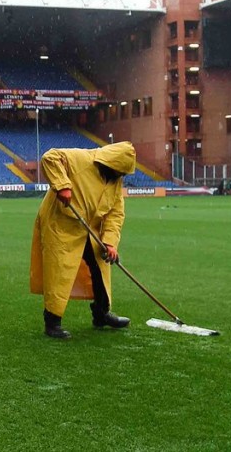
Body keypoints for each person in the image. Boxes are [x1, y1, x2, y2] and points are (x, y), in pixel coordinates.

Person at [29, 141, 136, 339]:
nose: (120, 177)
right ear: (110, 163)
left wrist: (110, 243)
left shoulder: (114, 181)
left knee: (100, 267)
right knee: (58, 270)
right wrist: (62, 186)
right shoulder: (81, 158)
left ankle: (101, 313)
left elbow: (115, 214)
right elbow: (49, 157)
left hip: (88, 228)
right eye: (119, 172)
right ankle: (52, 322)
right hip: (60, 224)